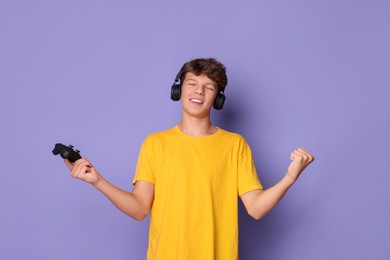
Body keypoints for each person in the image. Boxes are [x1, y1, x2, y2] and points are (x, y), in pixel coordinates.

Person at [64, 58, 315, 260]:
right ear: (178, 90)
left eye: (209, 86)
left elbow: (256, 208)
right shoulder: (156, 143)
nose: (199, 91)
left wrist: (290, 178)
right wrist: (97, 181)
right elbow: (140, 209)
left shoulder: (235, 145)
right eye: (192, 83)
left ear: (218, 97)